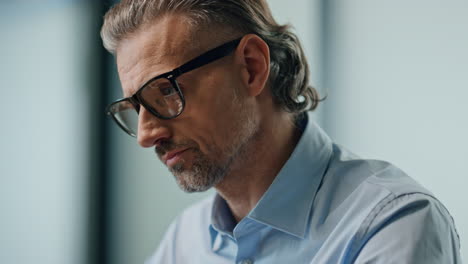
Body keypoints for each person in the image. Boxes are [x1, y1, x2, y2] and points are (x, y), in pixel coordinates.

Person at [101, 0, 462, 263]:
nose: (147, 135)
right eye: (135, 109)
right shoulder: (185, 241)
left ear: (251, 68)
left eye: (165, 91)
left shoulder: (390, 225)